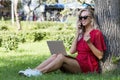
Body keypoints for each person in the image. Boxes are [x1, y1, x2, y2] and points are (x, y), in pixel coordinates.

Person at [18, 8, 106, 77]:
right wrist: (77, 33)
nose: (82, 19)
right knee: (56, 54)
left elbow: (100, 56)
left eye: (85, 17)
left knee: (61, 56)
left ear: (91, 19)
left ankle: (39, 72)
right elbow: (72, 51)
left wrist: (89, 43)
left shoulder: (96, 33)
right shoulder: (81, 33)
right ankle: (32, 71)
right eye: (80, 18)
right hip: (79, 62)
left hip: (88, 66)